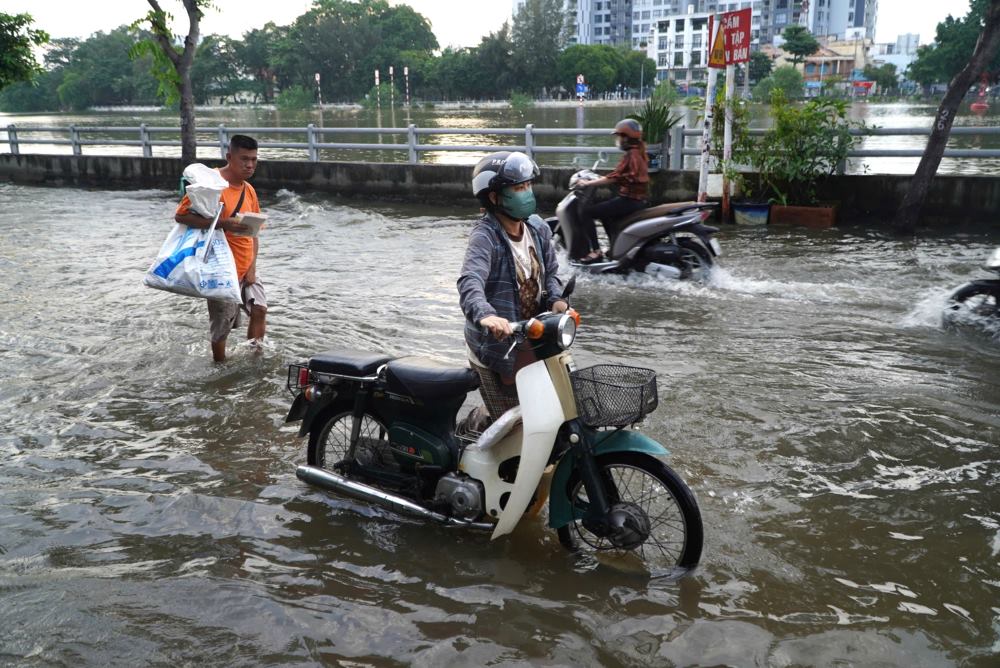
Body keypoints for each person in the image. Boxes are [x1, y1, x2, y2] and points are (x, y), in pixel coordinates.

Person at [458, 151, 569, 421]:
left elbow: (551, 273)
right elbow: (469, 281)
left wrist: (555, 299)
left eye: (528, 185)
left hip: (535, 337)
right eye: (519, 188)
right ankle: (474, 429)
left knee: (553, 413)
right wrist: (486, 315)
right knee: (512, 427)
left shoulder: (538, 228)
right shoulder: (485, 237)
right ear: (494, 197)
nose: (527, 193)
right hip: (498, 345)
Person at [174, 134, 267, 362]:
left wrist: (253, 269)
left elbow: (253, 233)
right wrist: (223, 223)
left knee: (260, 309)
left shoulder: (249, 190)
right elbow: (181, 216)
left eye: (254, 160)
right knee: (222, 326)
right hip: (220, 269)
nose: (250, 165)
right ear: (229, 157)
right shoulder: (211, 184)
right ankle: (220, 366)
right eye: (244, 159)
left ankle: (255, 358)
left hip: (245, 266)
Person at [572, 118, 650, 263]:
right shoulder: (638, 152)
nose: (618, 140)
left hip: (630, 200)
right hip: (637, 199)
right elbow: (620, 176)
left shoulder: (631, 155)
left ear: (626, 137)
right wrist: (600, 179)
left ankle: (595, 251)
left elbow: (614, 177)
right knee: (605, 213)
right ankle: (614, 247)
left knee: (587, 213)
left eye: (619, 136)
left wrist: (588, 183)